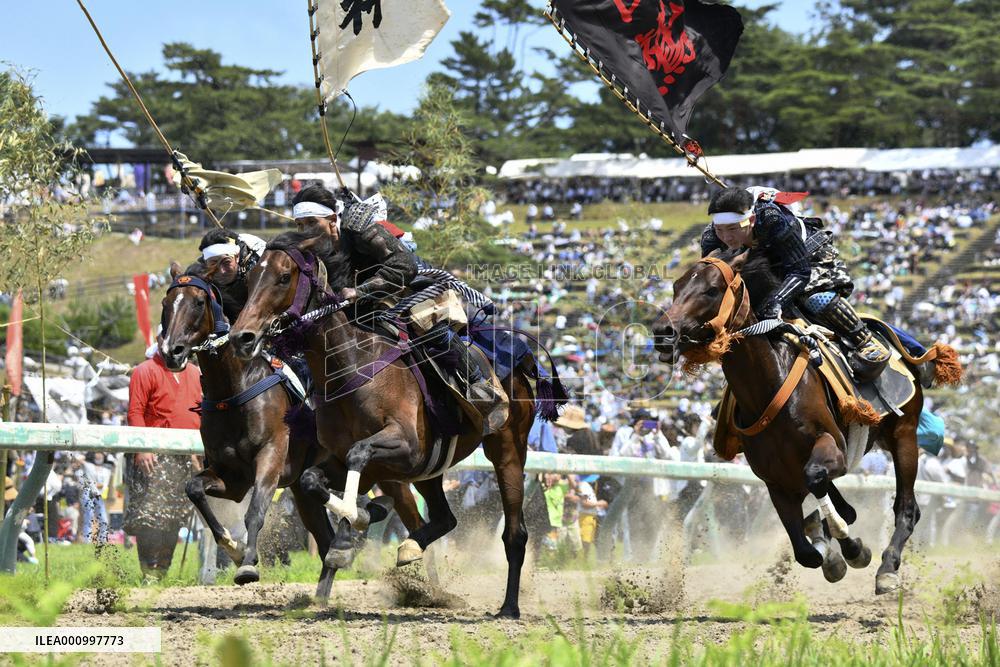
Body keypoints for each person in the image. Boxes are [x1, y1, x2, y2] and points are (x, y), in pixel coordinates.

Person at [290, 185, 505, 433]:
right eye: (299, 225)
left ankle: (477, 385)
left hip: (396, 292)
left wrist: (361, 291)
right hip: (350, 310)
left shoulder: (359, 227)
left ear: (331, 220)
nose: (304, 231)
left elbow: (403, 265)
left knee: (429, 325)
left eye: (310, 222)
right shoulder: (306, 252)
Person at [701, 186, 890, 382]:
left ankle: (864, 340)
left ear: (751, 220)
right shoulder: (711, 238)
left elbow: (800, 271)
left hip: (806, 256)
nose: (726, 237)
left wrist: (777, 301)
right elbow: (710, 281)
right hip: (761, 265)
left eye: (732, 229)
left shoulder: (772, 219)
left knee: (814, 298)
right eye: (720, 230)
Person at [125, 337, 202, 581]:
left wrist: (195, 450)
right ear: (160, 340)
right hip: (152, 455)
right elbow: (135, 412)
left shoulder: (195, 372)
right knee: (149, 516)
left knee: (175, 517)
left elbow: (196, 414)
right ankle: (149, 571)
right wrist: (143, 448)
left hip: (185, 455)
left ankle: (162, 572)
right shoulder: (144, 371)